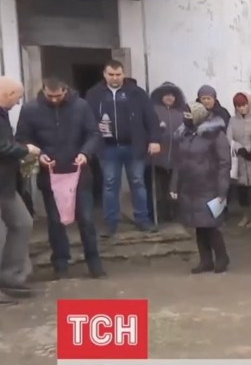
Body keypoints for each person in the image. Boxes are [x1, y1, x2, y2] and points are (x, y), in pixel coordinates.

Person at [15, 78, 105, 279]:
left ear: (66, 90)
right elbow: (22, 139)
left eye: (58, 95)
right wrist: (39, 156)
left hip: (79, 173)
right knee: (56, 222)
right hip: (51, 175)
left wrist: (86, 153)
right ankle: (61, 263)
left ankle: (94, 262)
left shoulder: (81, 106)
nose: (54, 100)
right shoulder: (30, 110)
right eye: (50, 96)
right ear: (44, 91)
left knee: (87, 220)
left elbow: (93, 134)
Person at [85, 60, 161, 236]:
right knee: (110, 184)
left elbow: (151, 117)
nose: (115, 78)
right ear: (104, 74)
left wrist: (154, 139)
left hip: (135, 146)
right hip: (107, 147)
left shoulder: (137, 93)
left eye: (118, 74)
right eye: (111, 74)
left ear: (123, 74)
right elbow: (87, 120)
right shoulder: (94, 94)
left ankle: (143, 219)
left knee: (138, 183)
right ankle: (111, 223)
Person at [171, 103, 231, 273]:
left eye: (190, 115)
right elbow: (179, 162)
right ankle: (205, 260)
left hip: (209, 186)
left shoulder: (215, 135)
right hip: (190, 188)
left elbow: (224, 163)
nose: (186, 118)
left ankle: (222, 258)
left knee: (211, 225)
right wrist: (174, 185)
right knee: (198, 226)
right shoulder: (184, 134)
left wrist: (222, 190)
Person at [0, 77, 41, 303]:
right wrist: (25, 149)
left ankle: (10, 277)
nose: (17, 104)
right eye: (16, 98)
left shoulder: (2, 114)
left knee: (22, 223)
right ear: (7, 94)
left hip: (6, 184)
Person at [147, 82, 188, 224]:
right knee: (159, 187)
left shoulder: (181, 113)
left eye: (172, 95)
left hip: (177, 157)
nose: (169, 98)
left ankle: (174, 213)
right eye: (166, 95)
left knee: (175, 187)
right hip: (158, 158)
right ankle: (159, 213)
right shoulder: (154, 111)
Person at [227, 92, 251, 228]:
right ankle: (245, 214)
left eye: (244, 105)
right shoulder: (232, 120)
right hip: (240, 159)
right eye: (238, 106)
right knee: (242, 190)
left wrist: (249, 149)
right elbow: (229, 137)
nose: (242, 108)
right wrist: (238, 147)